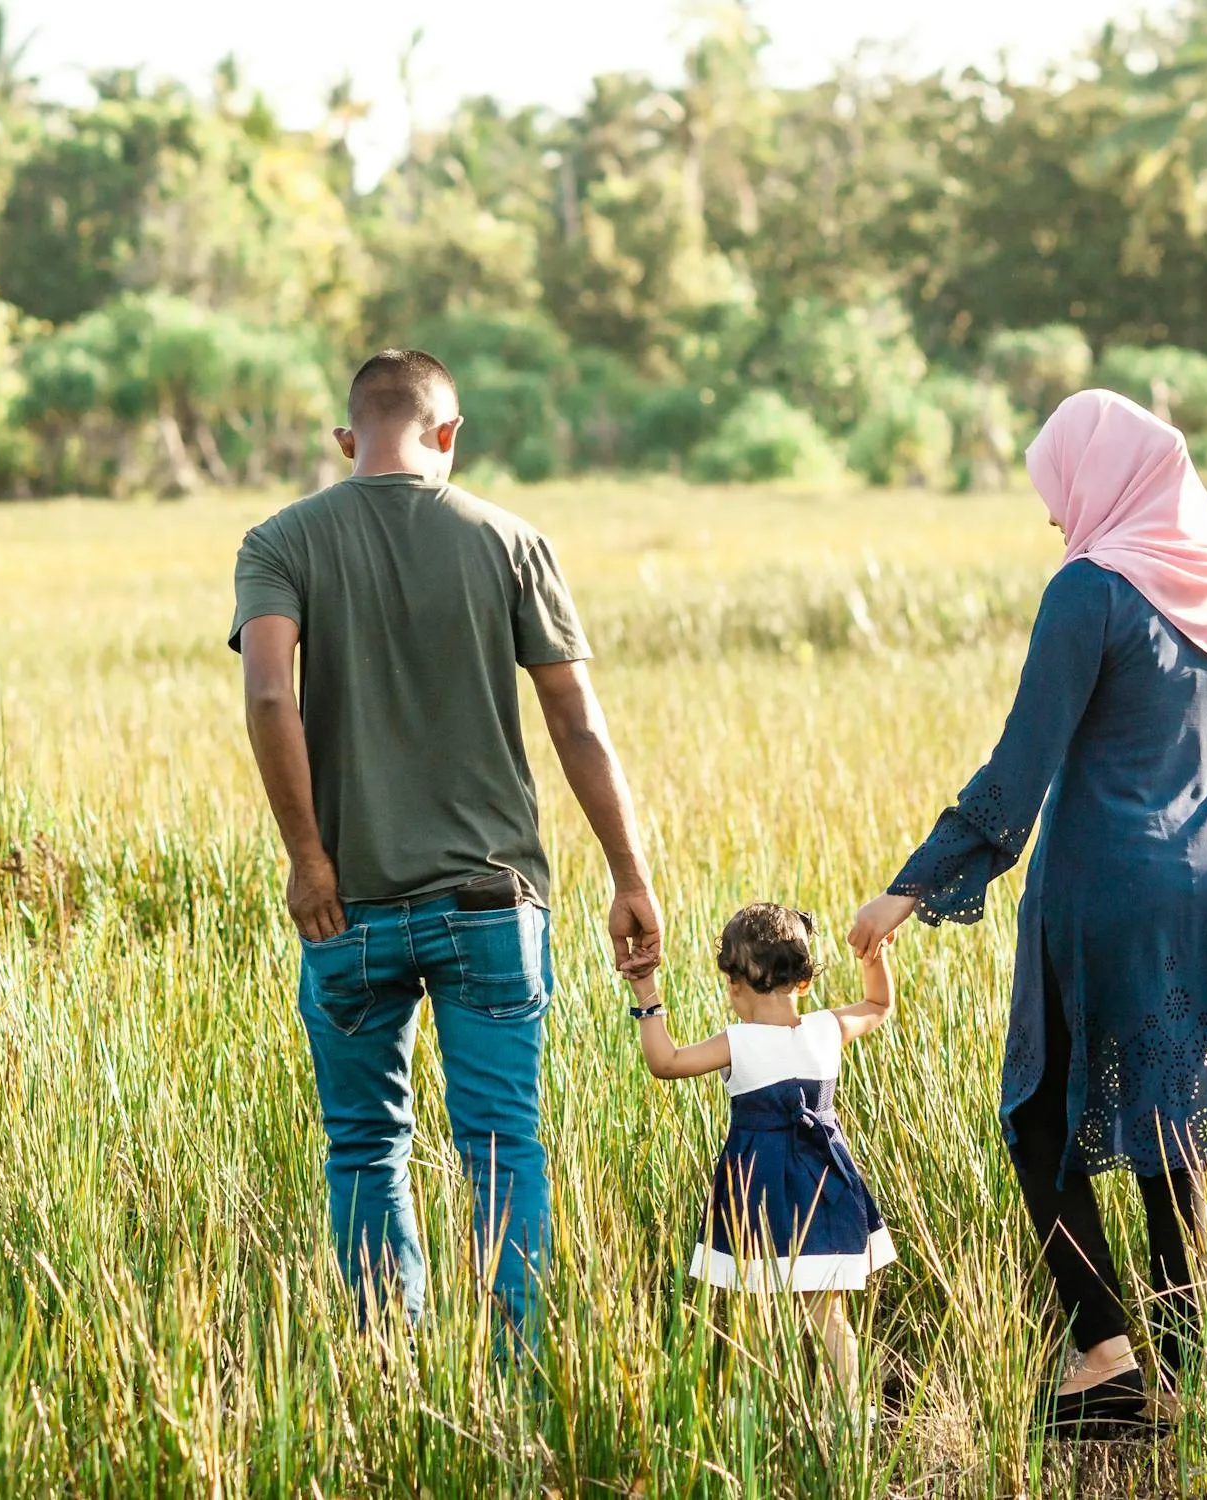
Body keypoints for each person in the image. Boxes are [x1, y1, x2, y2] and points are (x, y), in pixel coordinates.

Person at [847, 388, 1207, 1433]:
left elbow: (1020, 768)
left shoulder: (1088, 591)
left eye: (1059, 488)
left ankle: (1105, 1354)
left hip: (1105, 889)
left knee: (1037, 1121)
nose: (1052, 513)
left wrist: (907, 888)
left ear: (1108, 479)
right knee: (1172, 1134)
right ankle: (1179, 1371)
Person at [231, 348, 662, 1335]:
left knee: (364, 1148)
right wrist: (629, 876)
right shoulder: (511, 540)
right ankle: (510, 1395)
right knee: (505, 1148)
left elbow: (266, 695)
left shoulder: (279, 542)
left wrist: (308, 860)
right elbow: (578, 724)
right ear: (449, 434)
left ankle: (389, 1372)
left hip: (348, 908)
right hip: (492, 909)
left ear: (347, 442)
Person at [625, 903, 899, 1399]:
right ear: (804, 980)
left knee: (756, 1313)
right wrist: (873, 954)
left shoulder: (739, 1041)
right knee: (829, 1314)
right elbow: (878, 1004)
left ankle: (761, 1420)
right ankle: (853, 1417)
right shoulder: (825, 1027)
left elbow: (664, 1062)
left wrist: (646, 994)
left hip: (758, 1188)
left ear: (733, 983)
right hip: (825, 1186)